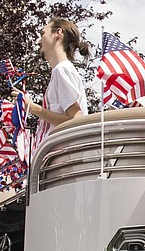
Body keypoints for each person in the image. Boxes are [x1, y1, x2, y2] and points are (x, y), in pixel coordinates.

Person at [13, 17, 90, 151]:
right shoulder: (61, 71)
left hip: (62, 160)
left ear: (58, 33)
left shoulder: (62, 70)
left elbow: (75, 120)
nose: (39, 41)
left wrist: (31, 107)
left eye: (43, 34)